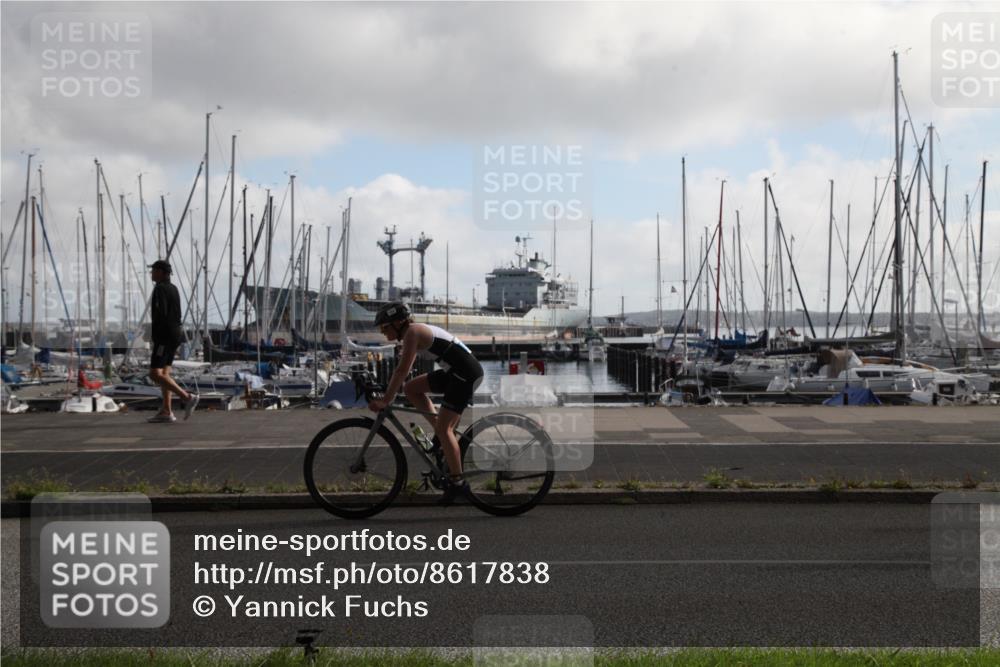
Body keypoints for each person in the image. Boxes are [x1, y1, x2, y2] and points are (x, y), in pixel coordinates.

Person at [367, 303, 483, 504]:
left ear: (398, 322)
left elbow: (402, 370)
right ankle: (440, 437)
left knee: (445, 429)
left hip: (465, 374)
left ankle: (458, 484)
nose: (383, 332)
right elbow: (403, 376)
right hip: (455, 372)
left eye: (385, 327)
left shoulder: (413, 332)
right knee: (411, 389)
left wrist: (386, 400)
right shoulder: (411, 332)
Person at [147, 260, 198, 422]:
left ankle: (187, 397)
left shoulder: (160, 289)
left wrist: (157, 336)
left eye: (154, 270)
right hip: (176, 332)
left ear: (162, 272)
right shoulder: (174, 288)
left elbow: (160, 314)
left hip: (164, 334)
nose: (151, 273)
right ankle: (167, 411)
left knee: (155, 374)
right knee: (165, 374)